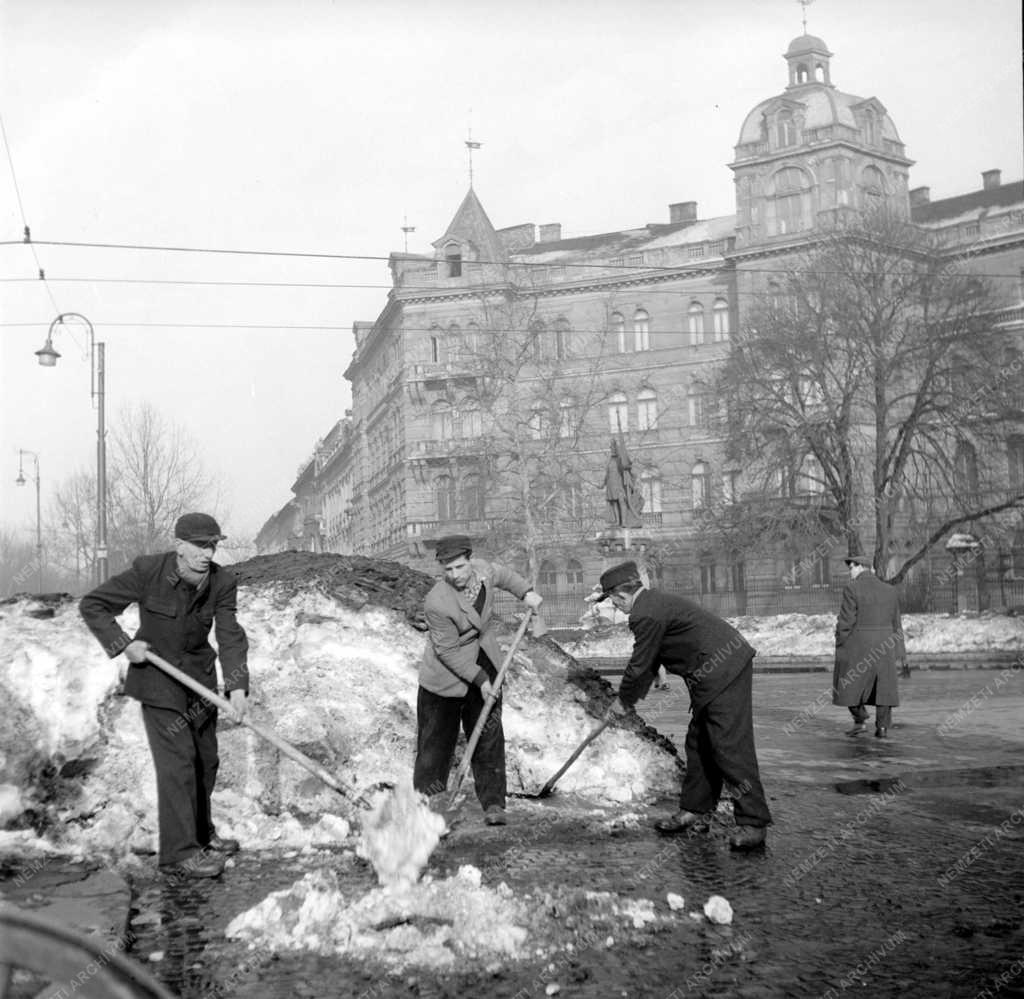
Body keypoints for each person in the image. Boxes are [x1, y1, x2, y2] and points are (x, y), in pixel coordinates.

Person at [80, 513, 249, 878]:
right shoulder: (149, 572)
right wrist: (124, 645)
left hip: (200, 680)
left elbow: (231, 634)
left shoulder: (222, 582)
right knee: (178, 763)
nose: (208, 553)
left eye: (213, 545)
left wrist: (236, 686)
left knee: (206, 760)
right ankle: (179, 854)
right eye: (201, 546)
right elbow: (93, 605)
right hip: (158, 680)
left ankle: (201, 835)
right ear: (180, 546)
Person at [601, 561, 771, 850]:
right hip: (712, 670)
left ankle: (754, 822)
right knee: (700, 742)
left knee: (729, 745)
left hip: (723, 669)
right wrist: (628, 698)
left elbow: (641, 664)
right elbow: (651, 659)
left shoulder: (645, 613)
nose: (616, 607)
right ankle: (695, 809)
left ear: (620, 596)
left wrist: (622, 701)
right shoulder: (652, 604)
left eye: (613, 602)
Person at [414, 535, 543, 826]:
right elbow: (446, 650)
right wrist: (481, 679)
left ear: (470, 561)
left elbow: (505, 575)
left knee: (488, 735)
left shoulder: (484, 571)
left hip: (483, 657)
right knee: (435, 747)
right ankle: (428, 810)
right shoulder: (437, 601)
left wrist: (526, 593)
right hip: (444, 678)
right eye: (448, 570)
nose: (455, 575)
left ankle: (494, 803)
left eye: (460, 567)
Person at [832, 554, 905, 739]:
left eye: (851, 568)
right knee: (884, 688)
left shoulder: (852, 588)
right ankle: (882, 728)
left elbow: (846, 621)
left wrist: (840, 641)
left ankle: (860, 720)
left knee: (848, 683)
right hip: (885, 645)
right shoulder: (890, 590)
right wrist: (899, 650)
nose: (850, 572)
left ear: (860, 567)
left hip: (859, 645)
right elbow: (896, 622)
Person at [603, 437, 644, 528]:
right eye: (611, 448)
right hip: (611, 485)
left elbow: (626, 468)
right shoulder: (609, 461)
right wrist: (602, 484)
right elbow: (607, 474)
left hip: (619, 485)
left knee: (622, 502)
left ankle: (624, 521)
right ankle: (618, 521)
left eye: (613, 448)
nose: (612, 450)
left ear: (616, 449)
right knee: (614, 503)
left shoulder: (620, 459)